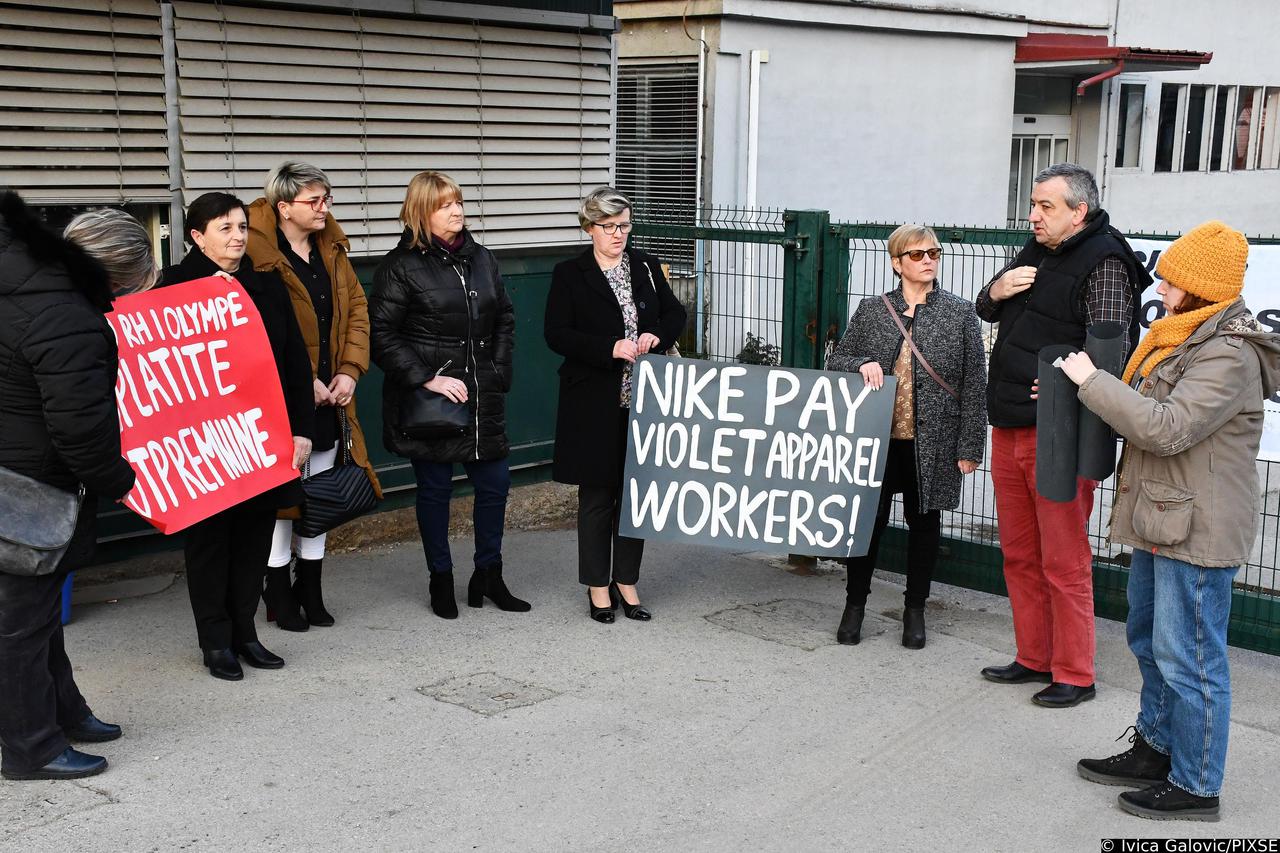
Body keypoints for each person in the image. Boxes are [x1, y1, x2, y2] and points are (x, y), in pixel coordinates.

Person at [1061, 222, 1278, 822]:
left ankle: (1198, 784)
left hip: (1199, 529)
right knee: (1150, 641)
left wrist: (1092, 384)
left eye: (1172, 276)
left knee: (1192, 658)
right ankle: (1156, 750)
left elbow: (1165, 426)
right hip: (1164, 516)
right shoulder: (1180, 337)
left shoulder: (1228, 353)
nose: (1161, 282)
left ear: (1199, 285)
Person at [975, 163, 1151, 707]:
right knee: (1020, 554)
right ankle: (1034, 656)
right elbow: (985, 307)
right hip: (1007, 426)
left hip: (1060, 438)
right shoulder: (1038, 251)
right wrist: (996, 288)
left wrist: (1060, 391)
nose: (1033, 215)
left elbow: (1109, 355)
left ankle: (1075, 671)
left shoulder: (1106, 263)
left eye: (1045, 206)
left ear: (1079, 210)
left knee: (1063, 559)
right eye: (1032, 205)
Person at [0, 195, 157, 780]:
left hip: (15, 471)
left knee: (34, 617)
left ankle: (64, 712)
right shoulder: (67, 316)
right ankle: (29, 748)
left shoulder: (24, 279)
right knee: (20, 626)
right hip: (29, 485)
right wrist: (121, 481)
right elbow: (79, 431)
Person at [162, 192, 314, 680]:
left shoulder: (266, 288)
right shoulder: (169, 288)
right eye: (224, 228)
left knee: (253, 539)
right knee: (209, 542)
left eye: (242, 227)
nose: (236, 236)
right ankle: (214, 641)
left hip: (260, 437)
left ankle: (245, 633)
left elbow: (294, 362)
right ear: (196, 236)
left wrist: (301, 431)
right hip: (202, 442)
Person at [370, 171, 527, 620]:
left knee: (494, 486)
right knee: (435, 491)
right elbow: (382, 334)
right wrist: (426, 378)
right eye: (445, 205)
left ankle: (488, 575)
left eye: (458, 203)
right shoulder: (400, 266)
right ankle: (441, 578)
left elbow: (506, 317)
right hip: (434, 400)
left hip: (483, 394)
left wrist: (496, 370)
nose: (456, 211)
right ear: (422, 211)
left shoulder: (482, 258)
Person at [826, 224, 986, 649]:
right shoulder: (874, 309)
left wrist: (970, 445)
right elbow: (836, 359)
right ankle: (854, 605)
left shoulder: (959, 312)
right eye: (917, 255)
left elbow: (974, 383)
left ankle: (915, 610)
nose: (928, 260)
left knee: (924, 524)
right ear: (897, 263)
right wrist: (860, 362)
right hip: (877, 440)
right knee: (867, 525)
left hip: (932, 443)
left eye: (933, 252)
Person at [247, 161, 382, 631]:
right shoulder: (254, 253)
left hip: (334, 395)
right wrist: (300, 381)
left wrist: (349, 371)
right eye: (314, 201)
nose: (325, 208)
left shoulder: (332, 248)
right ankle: (277, 592)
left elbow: (358, 311)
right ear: (284, 207)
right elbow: (256, 332)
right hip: (283, 398)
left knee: (320, 492)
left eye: (327, 199)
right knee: (284, 494)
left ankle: (312, 588)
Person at [544, 187, 686, 624]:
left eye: (624, 225)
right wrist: (610, 347)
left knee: (636, 495)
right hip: (593, 399)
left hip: (643, 399)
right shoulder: (570, 273)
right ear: (589, 228)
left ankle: (627, 581)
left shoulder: (642, 265)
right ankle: (597, 586)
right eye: (609, 227)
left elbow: (674, 313)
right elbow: (557, 334)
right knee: (598, 496)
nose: (618, 234)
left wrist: (654, 336)